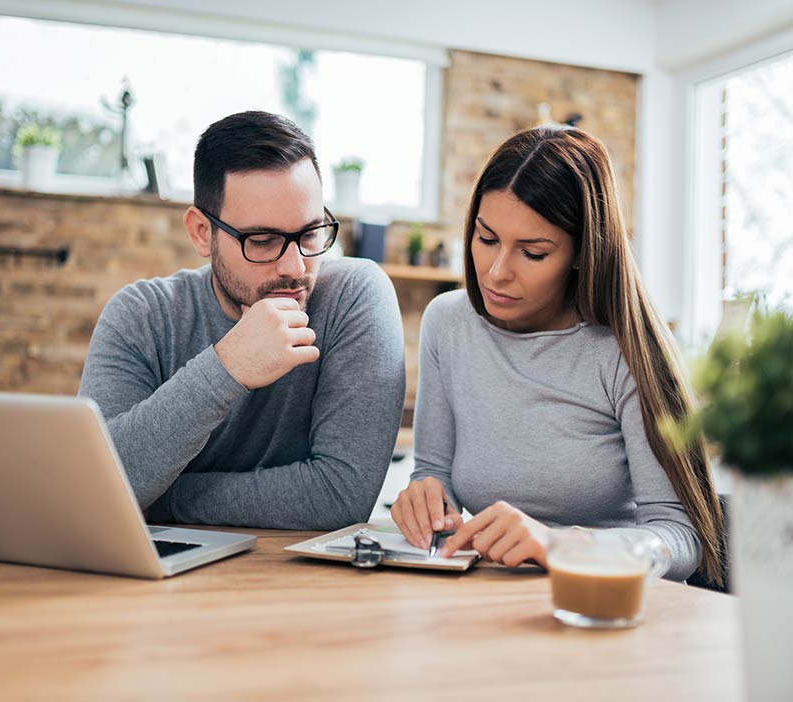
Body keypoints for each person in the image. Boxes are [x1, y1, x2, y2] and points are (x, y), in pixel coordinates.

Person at [390, 125, 723, 584]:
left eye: (533, 252)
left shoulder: (627, 351)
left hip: (609, 605)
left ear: (583, 253)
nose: (496, 272)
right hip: (494, 601)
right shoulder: (448, 323)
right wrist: (425, 498)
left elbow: (683, 537)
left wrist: (561, 546)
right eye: (486, 239)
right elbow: (433, 472)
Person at [79, 111, 405, 530]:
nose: (296, 266)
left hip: (297, 579)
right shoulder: (142, 315)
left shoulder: (353, 297)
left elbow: (340, 495)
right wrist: (227, 367)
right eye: (262, 240)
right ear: (201, 232)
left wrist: (157, 498)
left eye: (309, 234)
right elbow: (99, 488)